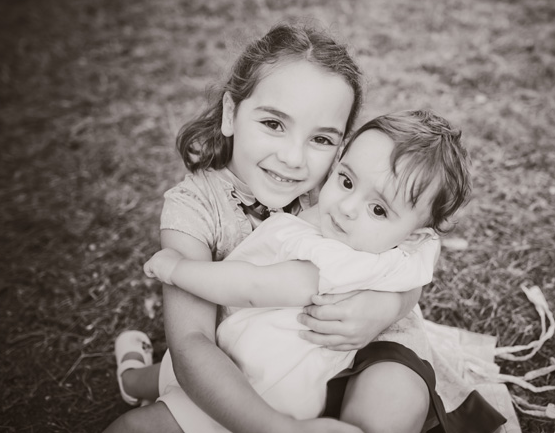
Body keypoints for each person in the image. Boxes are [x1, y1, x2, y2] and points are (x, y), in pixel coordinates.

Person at [104, 22, 433, 433]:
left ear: (341, 146)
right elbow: (191, 344)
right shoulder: (195, 210)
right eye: (274, 124)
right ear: (230, 114)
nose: (294, 159)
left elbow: (416, 253)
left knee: (394, 401)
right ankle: (134, 380)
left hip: (355, 351)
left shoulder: (340, 190)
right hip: (248, 370)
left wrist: (387, 307)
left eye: (321, 139)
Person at [133, 110, 470, 432]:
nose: (346, 207)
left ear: (414, 234)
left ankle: (130, 378)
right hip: (248, 354)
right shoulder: (405, 244)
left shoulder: (336, 261)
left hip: (260, 380)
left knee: (148, 412)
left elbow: (253, 286)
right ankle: (131, 376)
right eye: (347, 181)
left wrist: (178, 270)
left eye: (378, 209)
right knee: (169, 373)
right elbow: (421, 261)